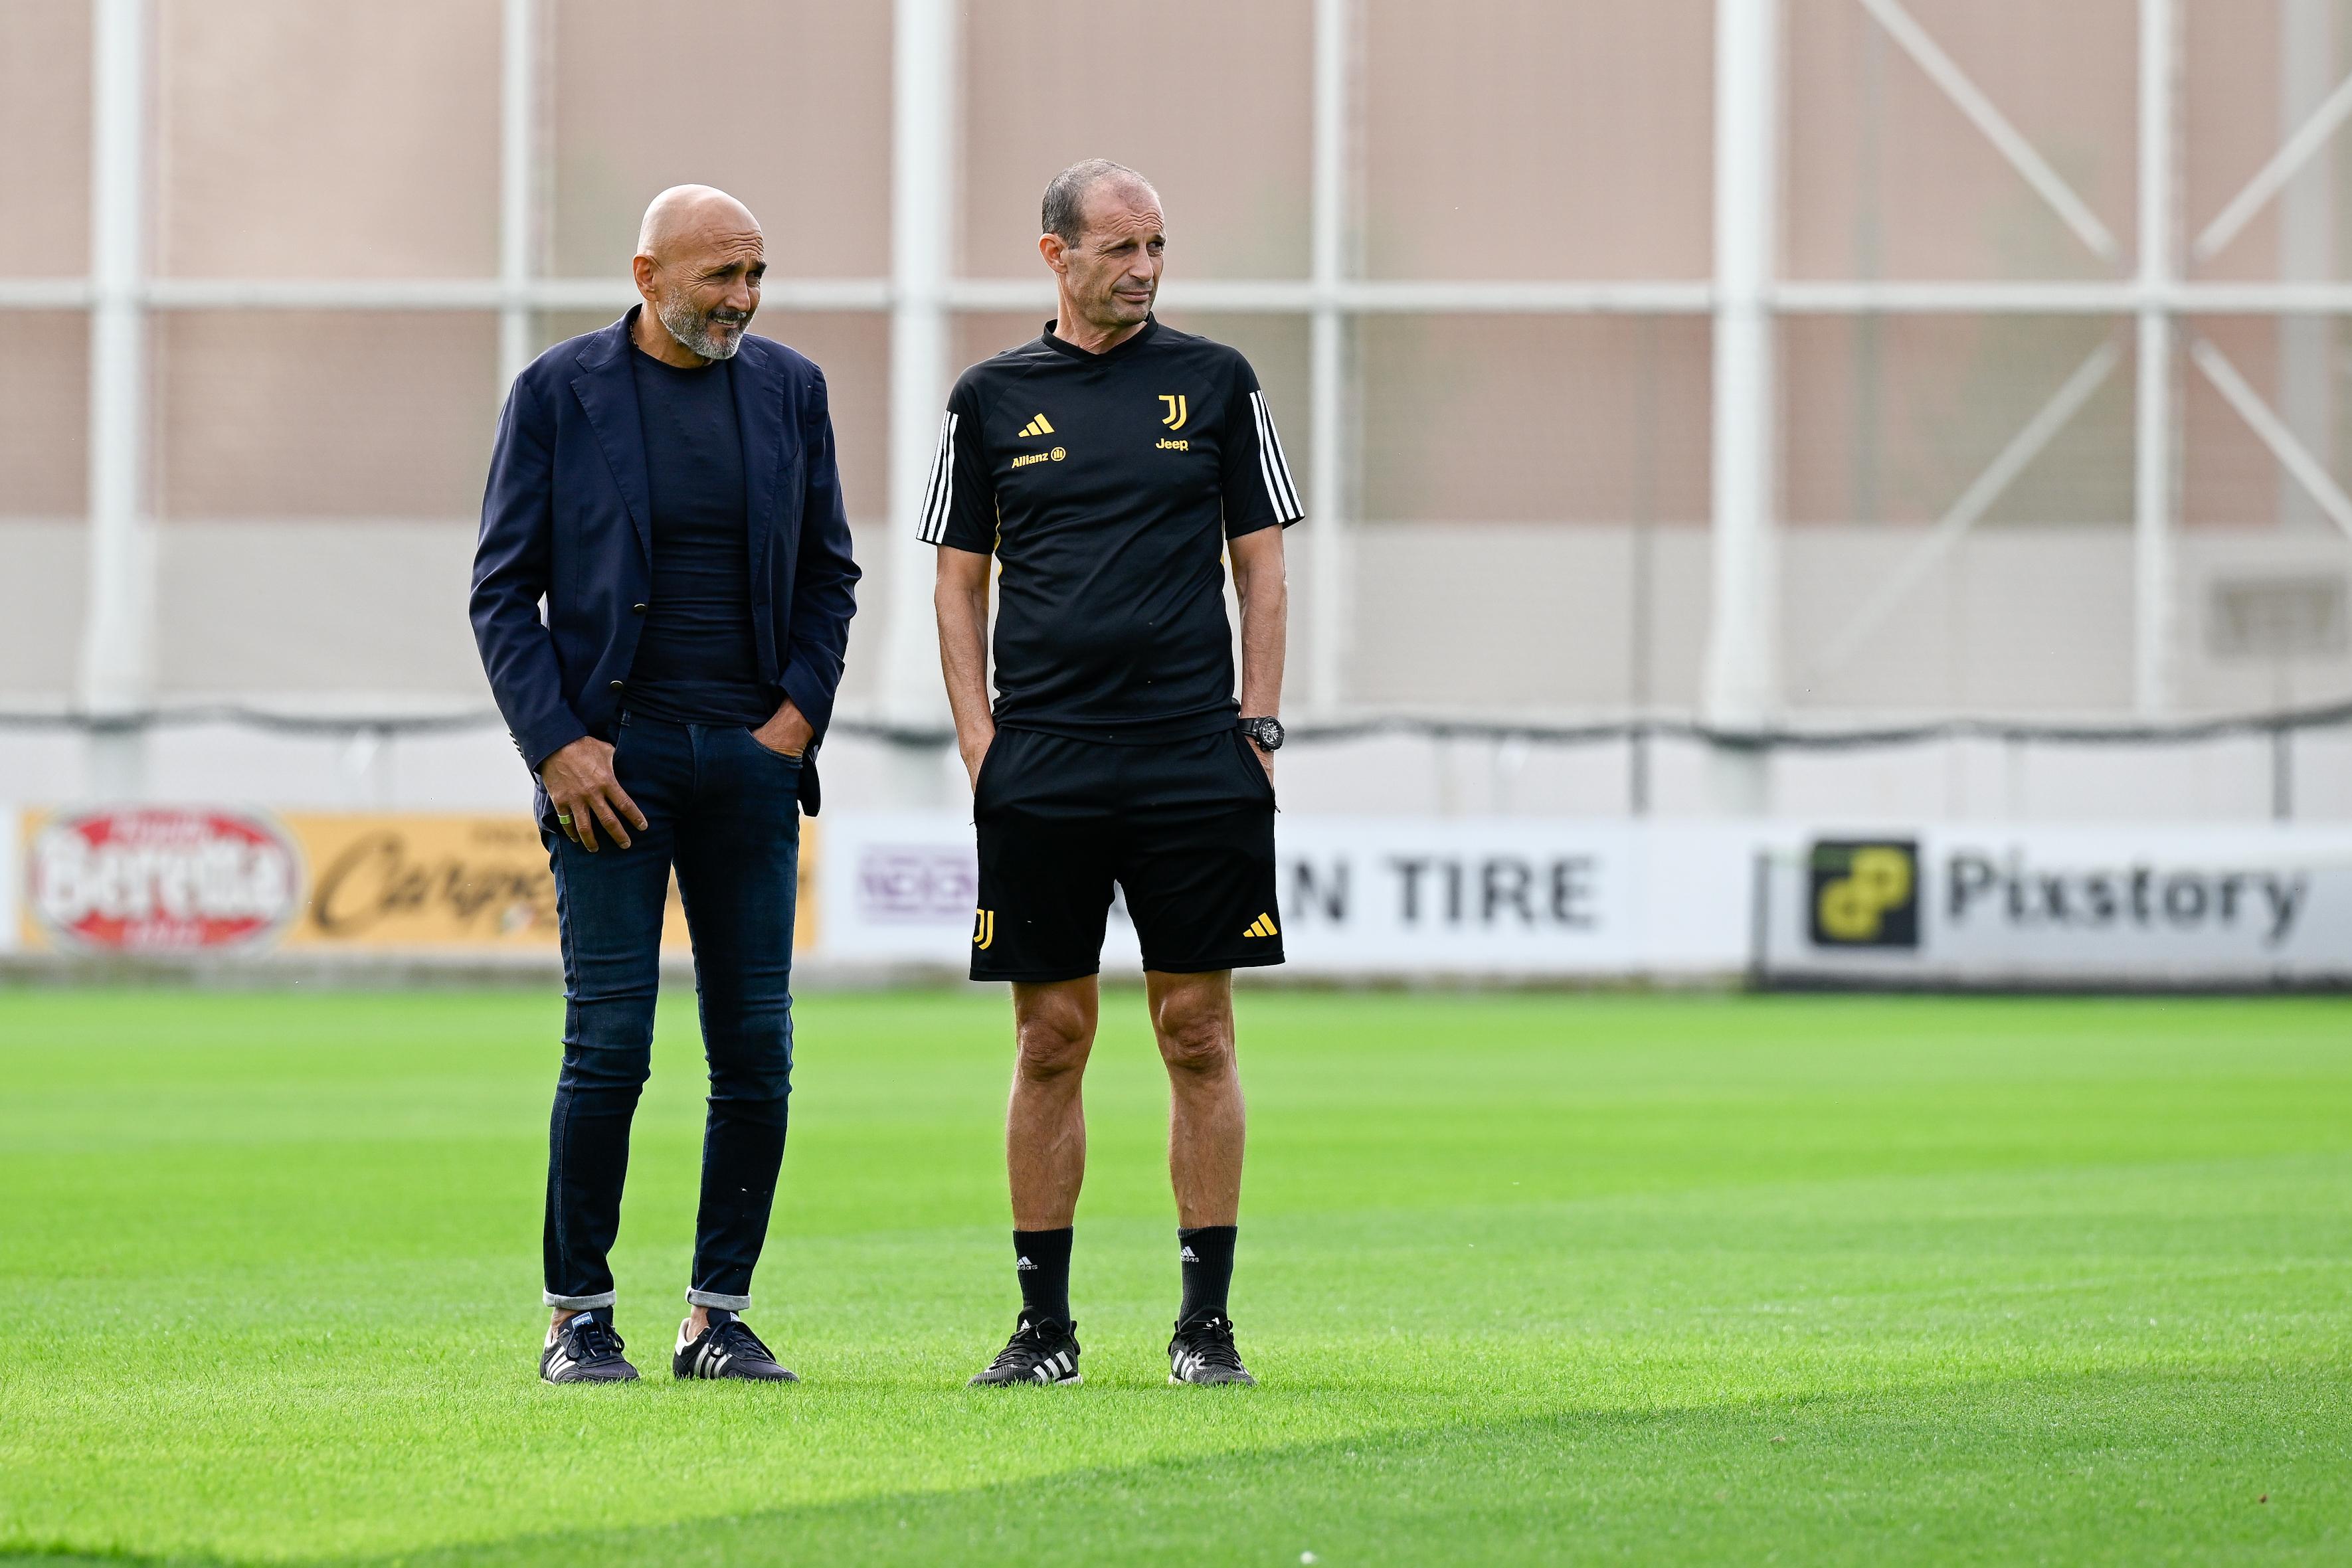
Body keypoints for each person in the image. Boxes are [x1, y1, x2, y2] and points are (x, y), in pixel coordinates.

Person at [470, 185, 859, 1385]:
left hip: (747, 765)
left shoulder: (792, 389)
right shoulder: (557, 392)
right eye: (719, 277)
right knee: (610, 1047)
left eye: (755, 274)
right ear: (648, 275)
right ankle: (576, 1314)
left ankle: (717, 1314)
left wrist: (791, 723)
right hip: (611, 769)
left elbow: (830, 575)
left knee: (755, 1053)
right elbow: (501, 592)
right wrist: (557, 746)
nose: (742, 298)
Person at [926, 160, 1299, 1388]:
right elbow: (957, 581)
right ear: (1055, 255)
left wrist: (1257, 723)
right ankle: (1043, 1329)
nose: (1143, 268)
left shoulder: (1218, 382)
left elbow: (1262, 566)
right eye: (1120, 247)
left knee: (1197, 1032)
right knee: (1049, 1038)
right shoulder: (987, 399)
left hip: (1195, 757)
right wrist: (982, 741)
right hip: (1047, 764)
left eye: (1157, 246)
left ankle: (1206, 1327)